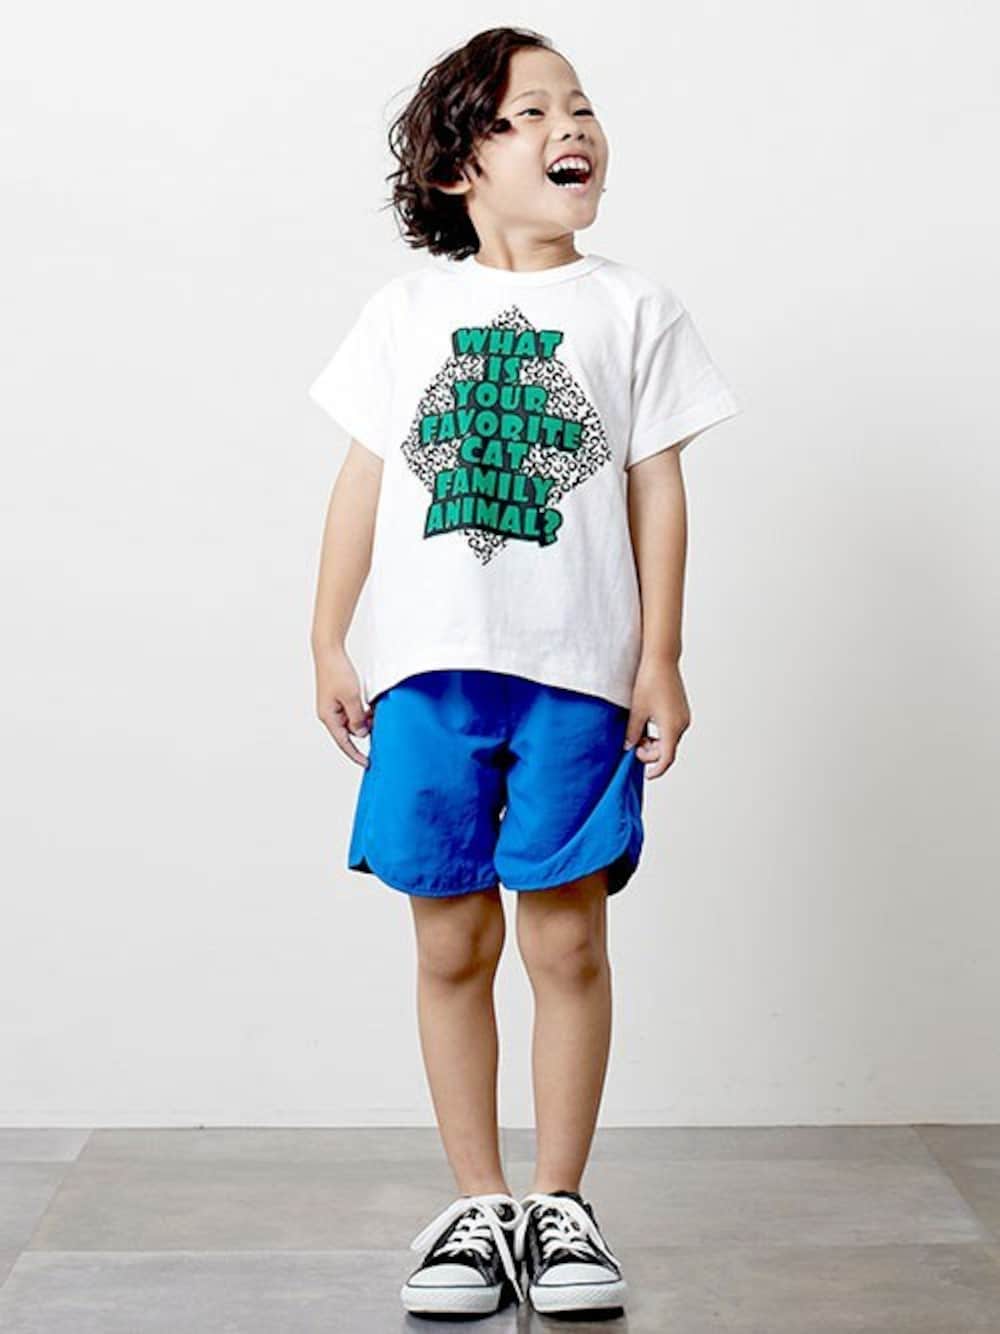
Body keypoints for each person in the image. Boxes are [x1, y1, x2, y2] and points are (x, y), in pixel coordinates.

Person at [307, 25, 742, 1320]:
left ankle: (559, 1202)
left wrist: (660, 656)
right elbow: (361, 482)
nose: (571, 128)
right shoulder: (405, 313)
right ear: (459, 165)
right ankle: (476, 1202)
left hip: (576, 674)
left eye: (581, 106)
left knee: (566, 936)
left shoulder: (633, 309)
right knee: (449, 939)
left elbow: (657, 491)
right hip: (429, 675)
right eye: (530, 112)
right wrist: (329, 637)